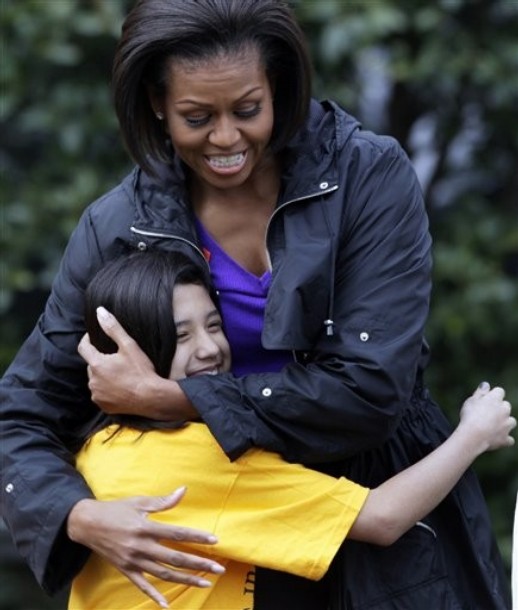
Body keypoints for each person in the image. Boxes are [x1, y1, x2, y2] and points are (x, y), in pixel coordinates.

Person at [0, 1, 512, 608]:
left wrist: (175, 399)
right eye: (197, 117)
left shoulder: (367, 176)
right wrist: (79, 516)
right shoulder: (118, 226)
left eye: (248, 110)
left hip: (388, 535)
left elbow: (369, 390)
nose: (226, 138)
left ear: (279, 87)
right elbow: (21, 414)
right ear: (157, 104)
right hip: (224, 537)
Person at [69, 249, 515, 610]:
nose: (209, 349)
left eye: (214, 326)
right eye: (181, 336)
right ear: (130, 349)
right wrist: (474, 434)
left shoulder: (99, 447)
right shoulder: (202, 458)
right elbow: (383, 518)